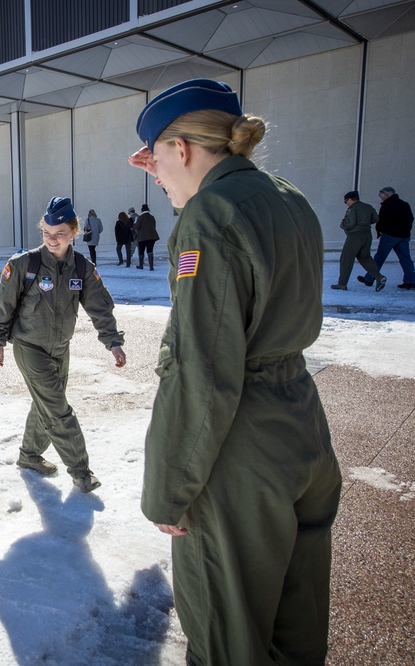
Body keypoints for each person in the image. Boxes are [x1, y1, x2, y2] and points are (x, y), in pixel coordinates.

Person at [127, 78, 342, 664]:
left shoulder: (208, 217)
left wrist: (168, 492)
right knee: (296, 625)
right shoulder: (287, 198)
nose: (155, 173)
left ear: (184, 148)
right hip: (302, 426)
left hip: (239, 449)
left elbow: (202, 369)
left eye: (156, 158)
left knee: (229, 638)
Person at [0, 196, 125, 494]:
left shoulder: (82, 267)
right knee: (59, 410)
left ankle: (29, 455)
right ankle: (81, 471)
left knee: (46, 405)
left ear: (74, 232)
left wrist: (113, 341)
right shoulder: (24, 264)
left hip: (61, 348)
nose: (52, 240)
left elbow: (99, 306)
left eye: (59, 234)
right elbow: (3, 305)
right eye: (47, 234)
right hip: (29, 347)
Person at [360, 186, 415, 290]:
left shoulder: (387, 205)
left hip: (390, 236)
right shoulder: (404, 204)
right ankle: (410, 281)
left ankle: (369, 279)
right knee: (406, 259)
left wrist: (381, 230)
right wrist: (406, 231)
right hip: (404, 236)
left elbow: (383, 220)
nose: (381, 199)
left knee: (379, 257)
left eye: (382, 197)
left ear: (386, 194)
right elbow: (410, 218)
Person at [332, 191, 385, 291]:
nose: (346, 203)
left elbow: (350, 223)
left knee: (346, 259)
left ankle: (342, 283)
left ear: (350, 199)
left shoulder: (352, 209)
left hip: (354, 236)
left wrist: (343, 224)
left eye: (346, 201)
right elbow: (376, 218)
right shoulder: (368, 206)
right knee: (365, 257)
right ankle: (379, 277)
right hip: (367, 235)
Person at [133, 204, 158, 270]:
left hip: (142, 237)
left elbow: (137, 227)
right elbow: (154, 226)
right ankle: (151, 266)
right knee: (150, 251)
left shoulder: (141, 217)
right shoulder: (152, 217)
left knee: (141, 251)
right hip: (152, 236)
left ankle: (141, 265)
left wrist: (134, 225)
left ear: (142, 210)